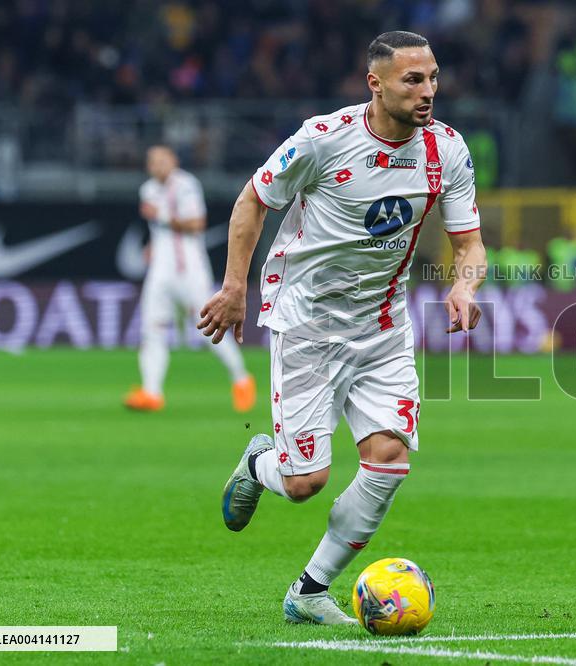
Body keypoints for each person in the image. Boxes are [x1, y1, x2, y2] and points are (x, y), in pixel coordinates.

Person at [198, 31, 487, 625]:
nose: (428, 91)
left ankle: (309, 591)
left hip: (383, 327)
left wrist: (465, 285)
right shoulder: (324, 139)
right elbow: (253, 200)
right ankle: (260, 463)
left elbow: (470, 242)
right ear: (375, 84)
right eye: (413, 80)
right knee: (306, 483)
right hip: (307, 323)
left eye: (433, 77)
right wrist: (233, 288)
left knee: (388, 460)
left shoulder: (447, 150)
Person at [124, 146, 256, 412]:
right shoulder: (148, 189)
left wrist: (160, 216)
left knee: (210, 327)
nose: (157, 166)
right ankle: (151, 392)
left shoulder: (185, 185)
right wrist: (154, 246)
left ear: (173, 161)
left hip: (189, 271)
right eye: (152, 162)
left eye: (162, 160)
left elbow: (197, 223)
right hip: (160, 272)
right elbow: (162, 231)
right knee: (152, 330)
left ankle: (241, 379)